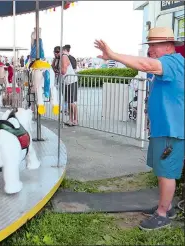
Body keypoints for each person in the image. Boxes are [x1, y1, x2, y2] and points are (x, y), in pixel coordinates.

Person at [94, 26, 184, 230]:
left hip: (171, 130)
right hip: (165, 128)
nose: (150, 49)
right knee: (162, 171)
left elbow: (144, 64)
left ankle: (163, 214)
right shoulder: (171, 62)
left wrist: (113, 55)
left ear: (169, 46)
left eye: (154, 45)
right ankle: (166, 206)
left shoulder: (170, 62)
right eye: (150, 45)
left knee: (166, 172)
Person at [61, 46, 79, 126]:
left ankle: (75, 119)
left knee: (72, 102)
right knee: (68, 102)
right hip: (67, 82)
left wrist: (59, 70)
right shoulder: (62, 58)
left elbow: (64, 71)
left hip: (71, 81)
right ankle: (71, 119)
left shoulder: (64, 57)